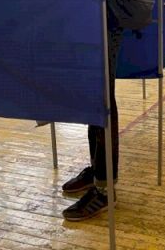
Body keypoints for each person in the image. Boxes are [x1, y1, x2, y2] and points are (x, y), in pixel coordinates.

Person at [61, 23, 123, 221]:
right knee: (93, 97)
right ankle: (97, 172)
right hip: (87, 27)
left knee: (103, 100)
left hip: (104, 28)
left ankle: (105, 189)